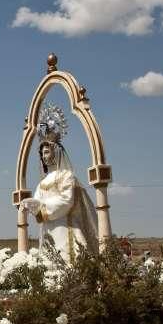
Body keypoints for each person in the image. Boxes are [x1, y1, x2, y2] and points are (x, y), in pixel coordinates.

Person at [20, 104, 98, 263]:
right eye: (42, 153)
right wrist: (32, 205)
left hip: (65, 227)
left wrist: (41, 207)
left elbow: (66, 201)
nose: (44, 156)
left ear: (56, 151)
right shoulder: (41, 184)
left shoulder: (66, 176)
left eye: (47, 152)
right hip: (47, 229)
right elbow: (37, 204)